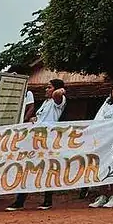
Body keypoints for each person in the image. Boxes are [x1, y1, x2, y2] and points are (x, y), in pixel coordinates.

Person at [5, 79, 66, 211]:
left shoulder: (59, 101)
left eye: (49, 87)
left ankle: (46, 201)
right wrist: (34, 119)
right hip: (35, 140)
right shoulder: (46, 102)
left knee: (46, 169)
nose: (46, 89)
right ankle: (21, 200)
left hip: (47, 140)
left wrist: (60, 90)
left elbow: (58, 95)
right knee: (28, 168)